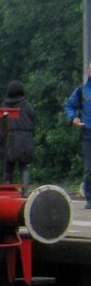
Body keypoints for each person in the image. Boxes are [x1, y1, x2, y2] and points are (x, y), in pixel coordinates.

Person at [63, 61, 91, 207]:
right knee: (88, 170)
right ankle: (89, 198)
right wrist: (73, 118)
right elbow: (69, 106)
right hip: (87, 134)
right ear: (89, 72)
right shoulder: (82, 91)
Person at [0, 80, 35, 190]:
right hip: (26, 138)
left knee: (8, 167)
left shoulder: (4, 106)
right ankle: (25, 190)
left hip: (10, 138)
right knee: (24, 166)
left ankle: (7, 187)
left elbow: (0, 124)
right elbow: (33, 121)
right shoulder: (27, 106)